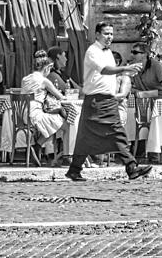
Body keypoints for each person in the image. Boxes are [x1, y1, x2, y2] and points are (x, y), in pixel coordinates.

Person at [65, 22, 152, 182]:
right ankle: (131, 167)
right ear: (97, 35)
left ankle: (74, 170)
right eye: (106, 33)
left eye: (111, 34)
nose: (109, 37)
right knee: (115, 132)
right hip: (96, 100)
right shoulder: (93, 51)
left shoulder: (108, 53)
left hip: (107, 99)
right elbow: (104, 70)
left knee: (88, 137)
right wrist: (125, 69)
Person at [20, 52, 66, 157]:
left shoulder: (25, 79)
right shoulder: (44, 81)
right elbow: (61, 97)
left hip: (22, 115)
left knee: (54, 120)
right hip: (35, 115)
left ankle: (38, 146)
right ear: (46, 68)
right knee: (63, 121)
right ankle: (40, 146)